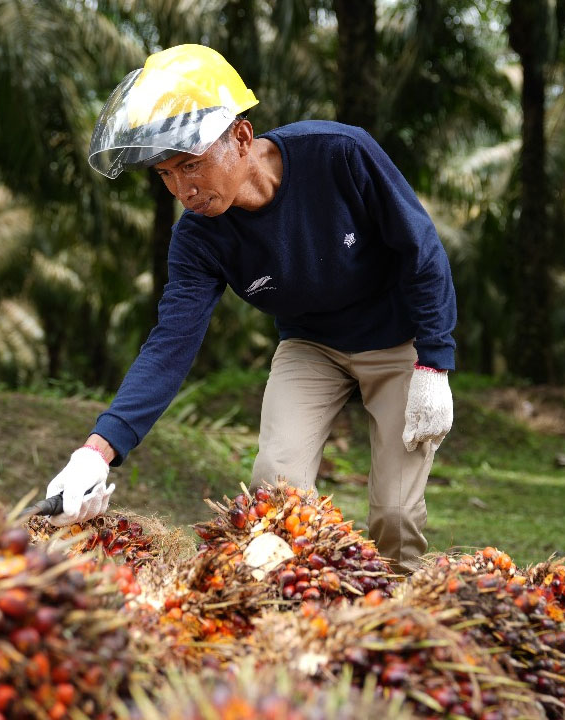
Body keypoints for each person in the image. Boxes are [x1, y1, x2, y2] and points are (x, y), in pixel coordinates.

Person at [42, 44, 456, 573]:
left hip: (400, 340)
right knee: (274, 490)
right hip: (312, 346)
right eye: (166, 175)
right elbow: (170, 345)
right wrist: (95, 453)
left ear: (241, 137)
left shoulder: (339, 153)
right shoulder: (197, 240)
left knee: (395, 514)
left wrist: (433, 363)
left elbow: (421, 249)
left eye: (191, 165)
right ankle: (289, 610)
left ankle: (398, 622)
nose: (182, 189)